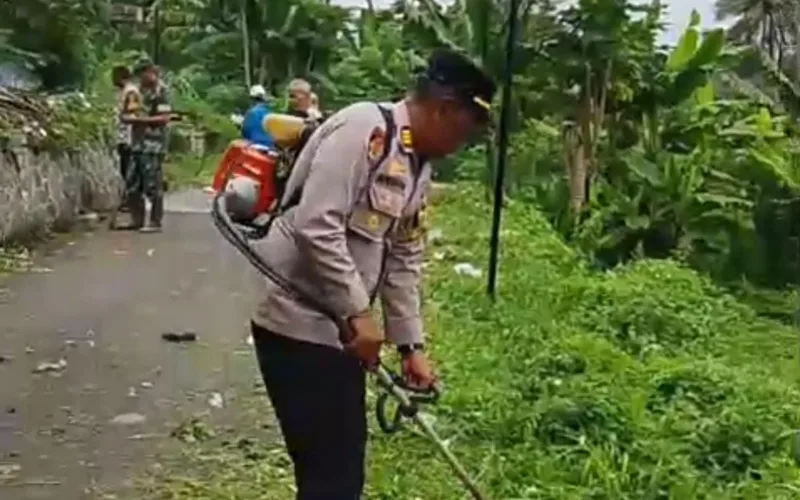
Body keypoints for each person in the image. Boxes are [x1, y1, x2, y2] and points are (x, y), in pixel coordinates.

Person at [250, 48, 496, 499]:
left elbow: (403, 256)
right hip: (298, 324)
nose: (459, 147)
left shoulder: (417, 165)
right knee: (332, 480)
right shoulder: (363, 129)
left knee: (339, 474)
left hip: (338, 333)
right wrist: (359, 312)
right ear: (443, 110)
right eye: (462, 133)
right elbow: (316, 224)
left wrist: (410, 346)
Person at [122, 58, 172, 233]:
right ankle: (137, 219)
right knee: (132, 184)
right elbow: (127, 114)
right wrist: (130, 118)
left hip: (154, 144)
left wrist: (141, 120)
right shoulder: (136, 92)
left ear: (151, 72)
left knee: (153, 184)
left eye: (144, 73)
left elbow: (164, 118)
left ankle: (155, 221)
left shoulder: (161, 91)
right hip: (136, 143)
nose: (141, 78)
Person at [241, 84, 274, 148]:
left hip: (254, 145)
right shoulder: (269, 112)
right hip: (270, 146)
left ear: (252, 99)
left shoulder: (251, 113)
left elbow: (245, 131)